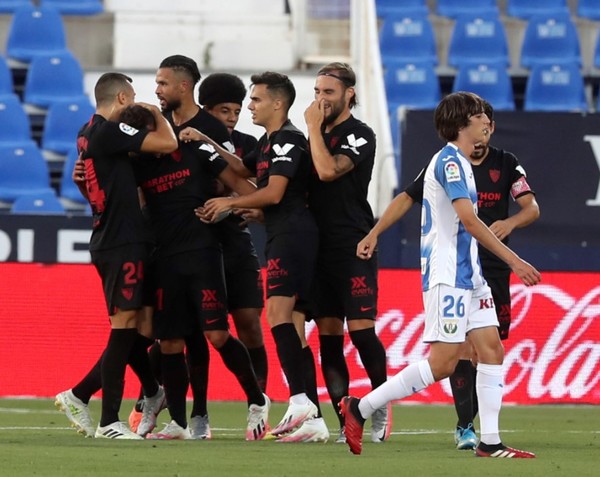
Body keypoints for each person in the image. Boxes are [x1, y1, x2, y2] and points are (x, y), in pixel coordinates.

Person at [340, 91, 541, 457]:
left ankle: (491, 442)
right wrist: (514, 260)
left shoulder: (462, 162)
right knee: (443, 363)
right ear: (463, 122)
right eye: (480, 115)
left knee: (491, 349)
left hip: (472, 274)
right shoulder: (449, 163)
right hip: (448, 275)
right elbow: (468, 220)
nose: (486, 121)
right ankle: (360, 408)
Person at [135, 55, 269, 441]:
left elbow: (240, 184)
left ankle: (256, 399)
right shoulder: (145, 153)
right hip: (165, 255)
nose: (157, 91)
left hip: (206, 250)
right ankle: (181, 421)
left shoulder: (199, 141)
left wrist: (241, 206)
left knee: (216, 334)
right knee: (172, 341)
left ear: (182, 86)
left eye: (162, 84)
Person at [195, 71, 328, 442]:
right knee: (291, 323)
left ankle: (301, 399)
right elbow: (240, 167)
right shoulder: (269, 142)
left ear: (278, 104)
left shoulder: (287, 141)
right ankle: (314, 420)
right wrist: (206, 140)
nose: (249, 106)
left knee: (276, 315)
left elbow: (272, 193)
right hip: (283, 234)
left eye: (255, 100)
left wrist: (231, 201)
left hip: (293, 234)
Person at [55, 73, 178, 440]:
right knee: (124, 327)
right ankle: (106, 418)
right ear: (122, 97)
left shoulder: (86, 131)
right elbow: (166, 142)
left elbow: (94, 182)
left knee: (138, 326)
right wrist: (156, 113)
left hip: (114, 237)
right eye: (135, 97)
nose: (137, 102)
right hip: (121, 241)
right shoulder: (108, 131)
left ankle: (151, 391)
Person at [303, 62, 389, 444]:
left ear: (349, 94)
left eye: (329, 93)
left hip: (352, 242)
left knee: (362, 331)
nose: (321, 101)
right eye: (317, 93)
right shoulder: (313, 135)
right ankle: (345, 423)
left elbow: (327, 171)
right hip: (316, 246)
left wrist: (311, 129)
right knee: (328, 336)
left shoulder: (360, 134)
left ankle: (381, 403)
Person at [197, 72, 267, 393]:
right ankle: (163, 400)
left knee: (250, 325)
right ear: (205, 109)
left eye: (237, 112)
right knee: (190, 332)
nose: (232, 118)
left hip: (237, 244)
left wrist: (235, 201)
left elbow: (260, 193)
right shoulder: (184, 141)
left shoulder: (248, 146)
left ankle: (260, 401)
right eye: (225, 110)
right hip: (196, 246)